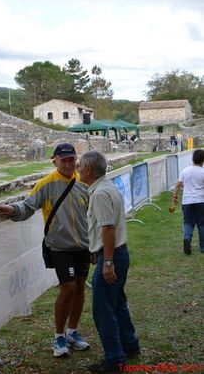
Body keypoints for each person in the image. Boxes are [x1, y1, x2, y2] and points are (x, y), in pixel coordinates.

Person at [0, 143, 90, 357]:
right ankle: (58, 337)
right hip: (59, 247)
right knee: (67, 288)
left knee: (80, 287)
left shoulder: (83, 182)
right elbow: (29, 205)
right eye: (63, 160)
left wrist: (94, 244)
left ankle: (72, 332)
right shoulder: (46, 184)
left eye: (71, 159)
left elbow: (91, 214)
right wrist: (13, 210)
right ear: (54, 160)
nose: (68, 164)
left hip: (83, 245)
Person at [78, 151, 140, 374]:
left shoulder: (100, 193)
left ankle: (115, 360)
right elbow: (103, 228)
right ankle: (129, 344)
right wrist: (97, 250)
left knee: (104, 310)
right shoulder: (107, 187)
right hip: (114, 254)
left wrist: (108, 262)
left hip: (112, 256)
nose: (78, 169)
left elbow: (108, 228)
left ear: (89, 170)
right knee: (117, 302)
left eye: (80, 166)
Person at [172, 149, 204, 255]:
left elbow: (178, 185)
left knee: (188, 222)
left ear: (193, 159)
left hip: (187, 202)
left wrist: (175, 196)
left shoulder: (185, 171)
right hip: (201, 201)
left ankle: (187, 239)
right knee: (201, 224)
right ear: (202, 160)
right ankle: (202, 247)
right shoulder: (203, 172)